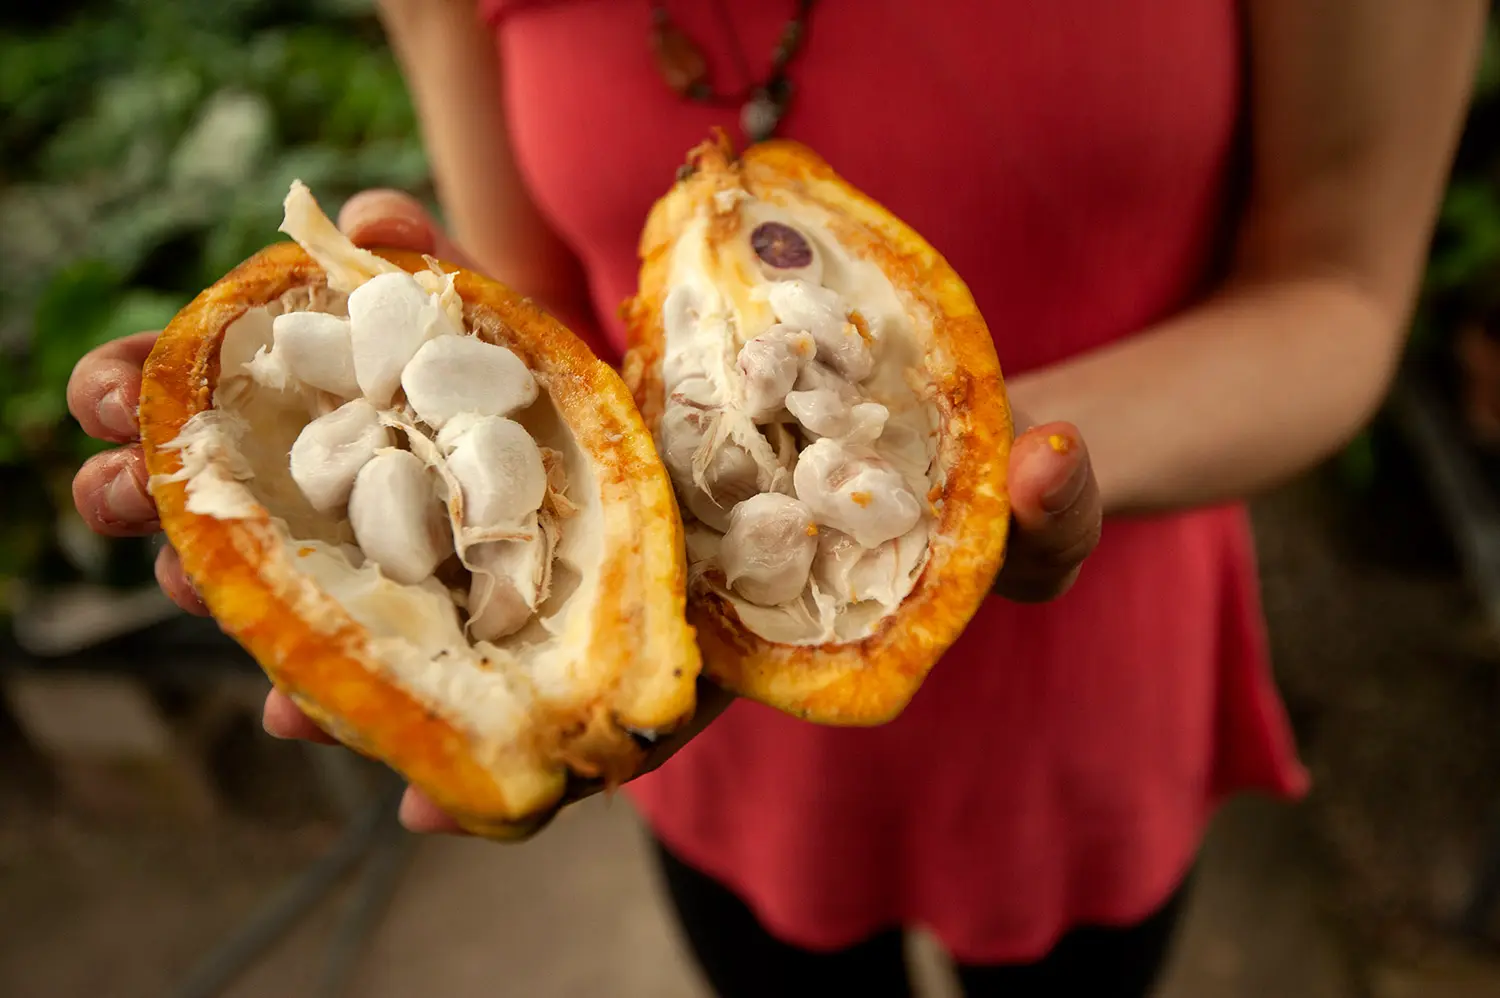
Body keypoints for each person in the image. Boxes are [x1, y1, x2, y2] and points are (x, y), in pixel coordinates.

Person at [67, 2, 1485, 995]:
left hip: (1096, 684)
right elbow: (544, 307)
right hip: (702, 709)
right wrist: (484, 349)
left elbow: (1342, 285)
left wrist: (976, 463)